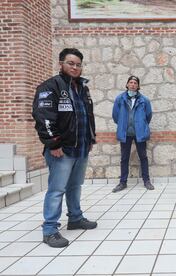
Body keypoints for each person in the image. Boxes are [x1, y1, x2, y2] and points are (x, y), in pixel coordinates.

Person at [32, 48, 97, 248]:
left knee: (75, 186)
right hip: (61, 149)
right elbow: (44, 117)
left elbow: (87, 116)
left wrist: (90, 138)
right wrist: (53, 143)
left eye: (78, 64)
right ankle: (50, 229)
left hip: (81, 147)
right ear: (61, 63)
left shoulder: (82, 88)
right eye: (71, 63)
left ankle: (75, 218)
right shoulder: (50, 87)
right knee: (57, 189)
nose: (75, 67)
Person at [111, 76, 154, 192]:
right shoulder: (120, 99)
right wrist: (122, 124)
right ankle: (122, 182)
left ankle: (146, 181)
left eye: (135, 83)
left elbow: (148, 116)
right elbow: (115, 116)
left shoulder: (144, 100)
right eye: (131, 82)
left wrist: (142, 124)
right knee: (124, 158)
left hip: (139, 133)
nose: (133, 84)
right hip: (125, 134)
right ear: (127, 84)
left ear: (138, 86)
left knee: (143, 157)